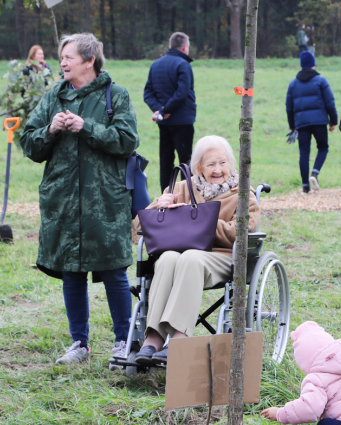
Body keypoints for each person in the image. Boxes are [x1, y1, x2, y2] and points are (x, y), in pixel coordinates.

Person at [18, 33, 139, 366]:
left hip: (105, 202)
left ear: (89, 60)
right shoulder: (52, 98)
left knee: (114, 271)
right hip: (63, 201)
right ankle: (79, 344)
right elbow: (28, 144)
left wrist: (87, 127)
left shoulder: (116, 95)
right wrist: (50, 130)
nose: (63, 62)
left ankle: (122, 340)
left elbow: (127, 140)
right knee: (70, 272)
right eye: (61, 57)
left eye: (69, 57)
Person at [132, 135, 260, 365]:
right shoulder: (180, 188)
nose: (218, 169)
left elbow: (239, 233)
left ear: (230, 163)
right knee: (168, 258)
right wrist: (159, 206)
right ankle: (154, 337)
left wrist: (201, 221)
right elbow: (139, 228)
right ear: (199, 167)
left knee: (190, 257)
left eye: (222, 162)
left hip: (221, 256)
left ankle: (180, 339)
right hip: (178, 255)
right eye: (211, 164)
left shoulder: (242, 194)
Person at [143, 32, 196, 192]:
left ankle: (165, 197)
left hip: (164, 122)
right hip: (182, 121)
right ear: (185, 47)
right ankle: (188, 197)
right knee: (186, 162)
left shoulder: (156, 65)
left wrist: (159, 111)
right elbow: (182, 92)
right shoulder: (183, 65)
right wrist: (165, 110)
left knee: (166, 161)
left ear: (170, 46)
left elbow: (148, 93)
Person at [286, 50, 338, 193]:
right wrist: (333, 121)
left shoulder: (293, 83)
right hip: (320, 121)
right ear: (313, 64)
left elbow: (289, 108)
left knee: (304, 153)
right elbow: (330, 103)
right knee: (323, 147)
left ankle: (305, 187)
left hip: (301, 124)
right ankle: (314, 173)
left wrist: (292, 127)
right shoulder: (321, 80)